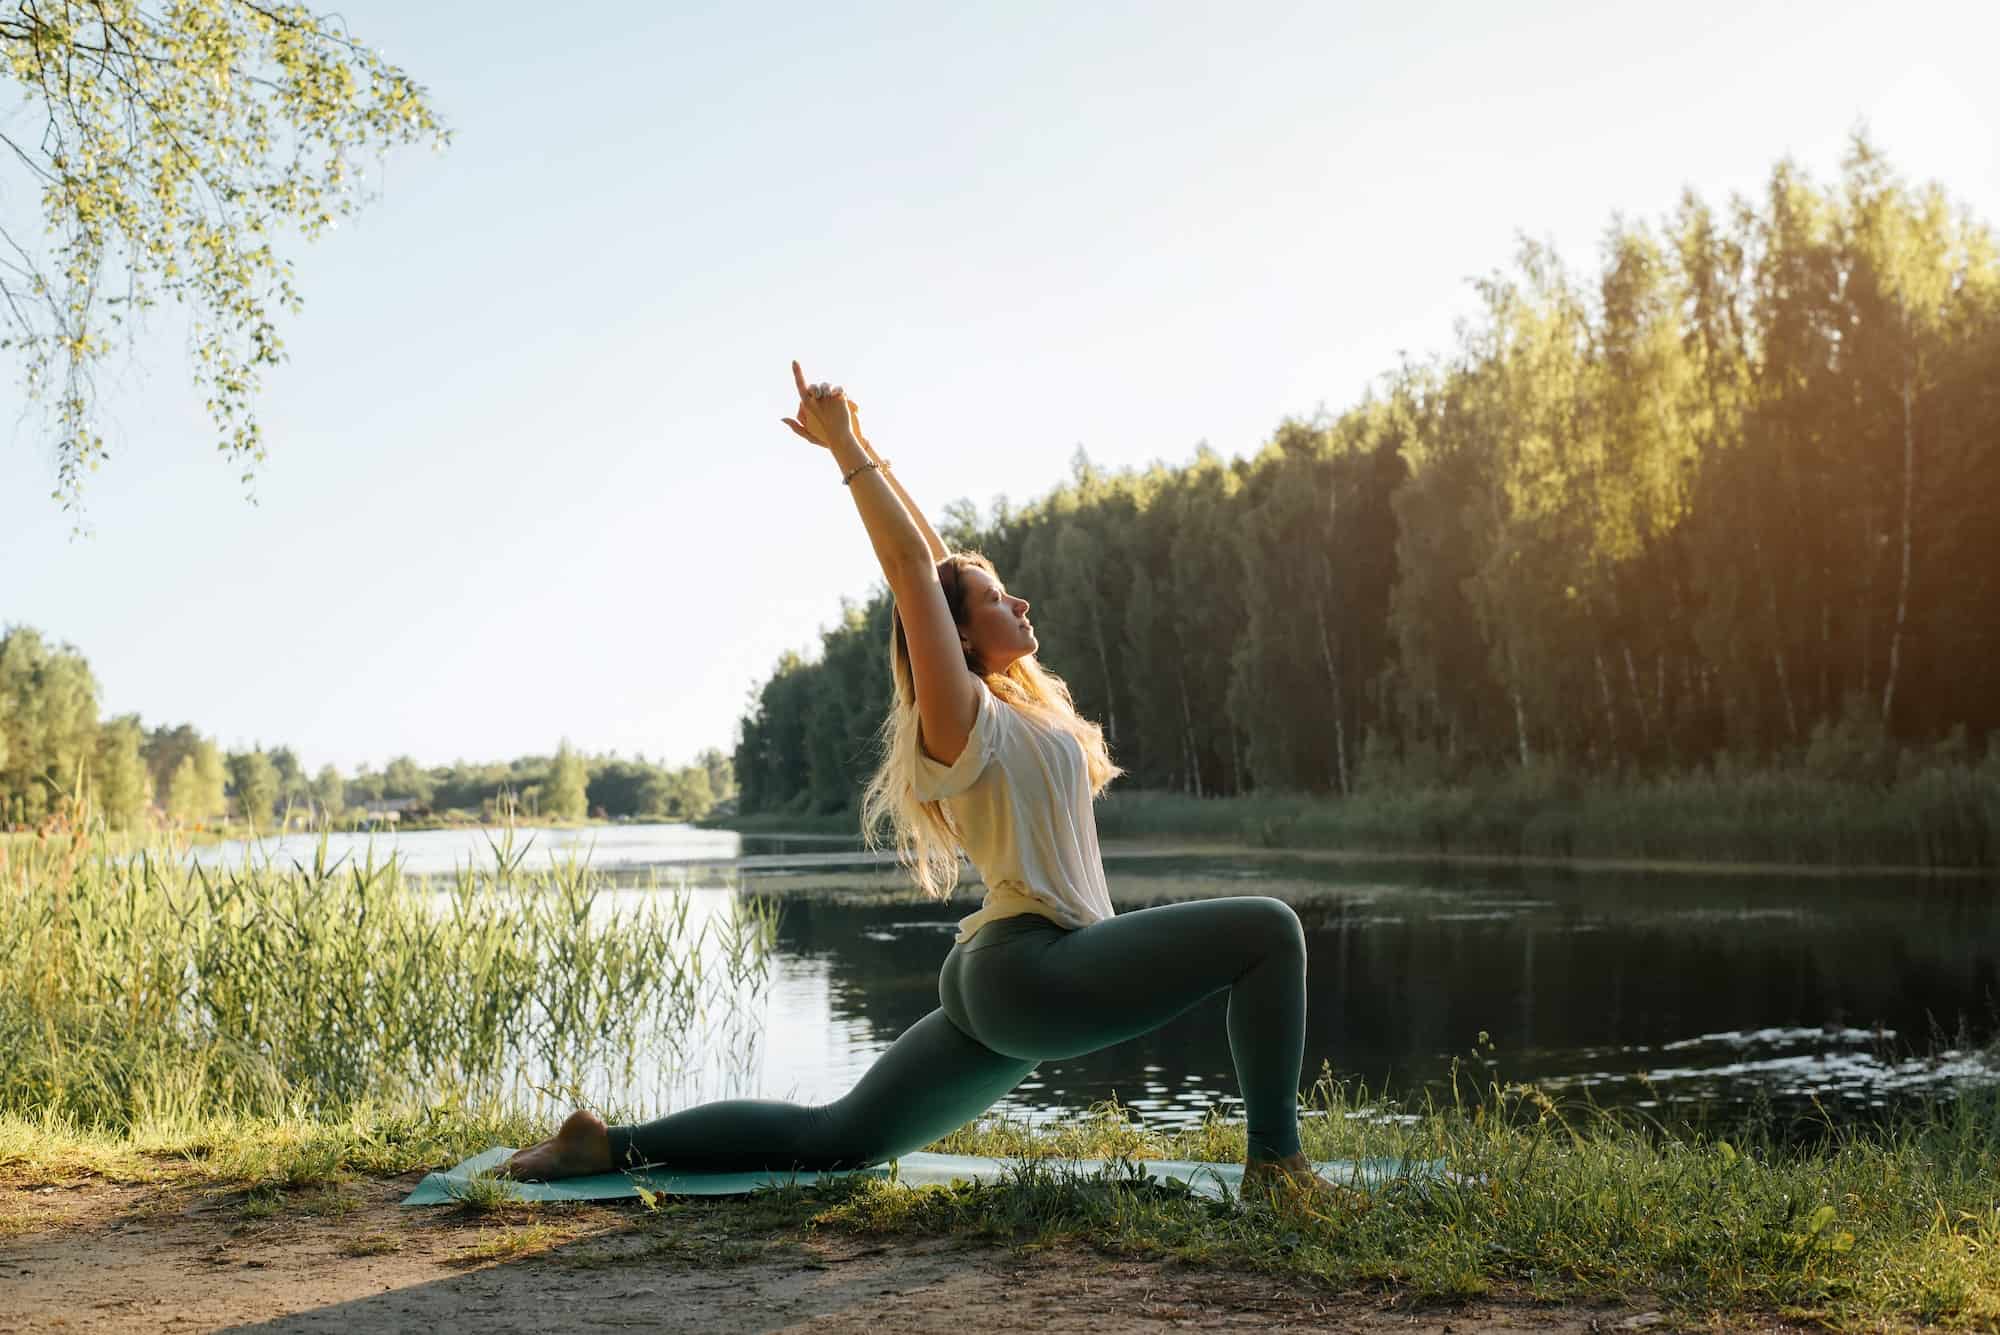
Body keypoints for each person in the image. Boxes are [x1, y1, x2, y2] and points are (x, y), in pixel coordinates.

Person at [502, 361, 1340, 1202]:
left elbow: (938, 564)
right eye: (997, 598)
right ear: (959, 635)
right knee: (1269, 931)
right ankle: (1277, 1169)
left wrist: (870, 444)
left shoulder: (1016, 709)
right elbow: (916, 576)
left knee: (839, 1140)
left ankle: (605, 1146)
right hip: (1035, 969)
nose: (1020, 602)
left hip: (1008, 976)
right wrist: (845, 453)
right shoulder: (960, 714)